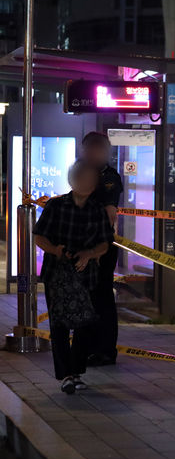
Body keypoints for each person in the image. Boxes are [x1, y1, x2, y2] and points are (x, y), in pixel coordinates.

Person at [33, 160, 114, 394]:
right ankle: (66, 374)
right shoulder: (56, 206)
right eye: (82, 177)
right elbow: (39, 236)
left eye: (91, 178)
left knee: (86, 324)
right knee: (59, 325)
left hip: (86, 276)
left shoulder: (97, 210)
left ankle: (76, 371)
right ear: (72, 179)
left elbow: (104, 244)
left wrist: (89, 254)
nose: (87, 182)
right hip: (56, 275)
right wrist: (56, 250)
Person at [80, 132, 124, 367]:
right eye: (87, 150)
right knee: (86, 297)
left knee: (101, 298)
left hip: (100, 247)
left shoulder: (109, 177)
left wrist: (97, 249)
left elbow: (110, 212)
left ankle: (105, 350)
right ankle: (87, 346)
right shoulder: (82, 170)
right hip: (82, 246)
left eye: (95, 150)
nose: (89, 154)